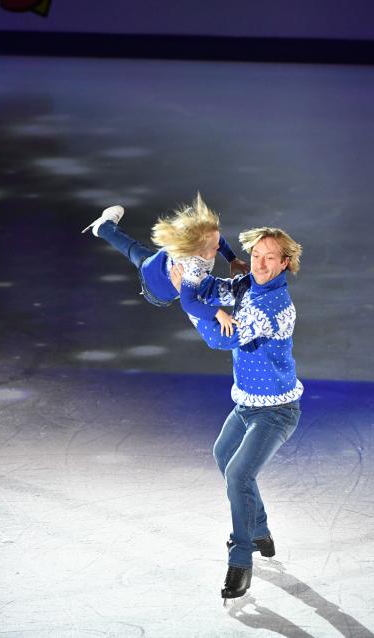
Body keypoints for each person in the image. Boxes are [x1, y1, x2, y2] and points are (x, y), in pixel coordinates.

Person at [171, 226, 303, 602]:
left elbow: (219, 337)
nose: (260, 264)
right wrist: (193, 276)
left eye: (270, 258)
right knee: (223, 456)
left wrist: (186, 297)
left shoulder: (272, 307)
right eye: (257, 255)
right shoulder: (249, 286)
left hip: (276, 411)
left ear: (285, 264)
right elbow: (215, 292)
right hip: (246, 404)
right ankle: (260, 529)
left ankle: (242, 559)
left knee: (238, 474)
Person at [81, 194, 248, 333]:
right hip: (155, 291)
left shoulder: (207, 241)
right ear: (197, 252)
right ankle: (103, 227)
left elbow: (220, 242)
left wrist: (232, 259)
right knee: (202, 290)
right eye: (214, 248)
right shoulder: (193, 269)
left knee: (133, 249)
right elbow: (188, 303)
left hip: (156, 263)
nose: (219, 247)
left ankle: (103, 227)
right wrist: (217, 313)